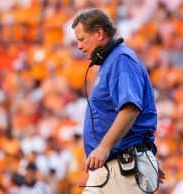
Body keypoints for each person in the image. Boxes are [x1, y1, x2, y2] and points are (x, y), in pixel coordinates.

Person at [71, 8, 165, 194]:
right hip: (114, 168)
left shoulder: (121, 59)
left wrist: (104, 148)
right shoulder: (110, 63)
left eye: (82, 39)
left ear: (99, 33)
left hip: (122, 167)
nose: (79, 46)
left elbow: (130, 108)